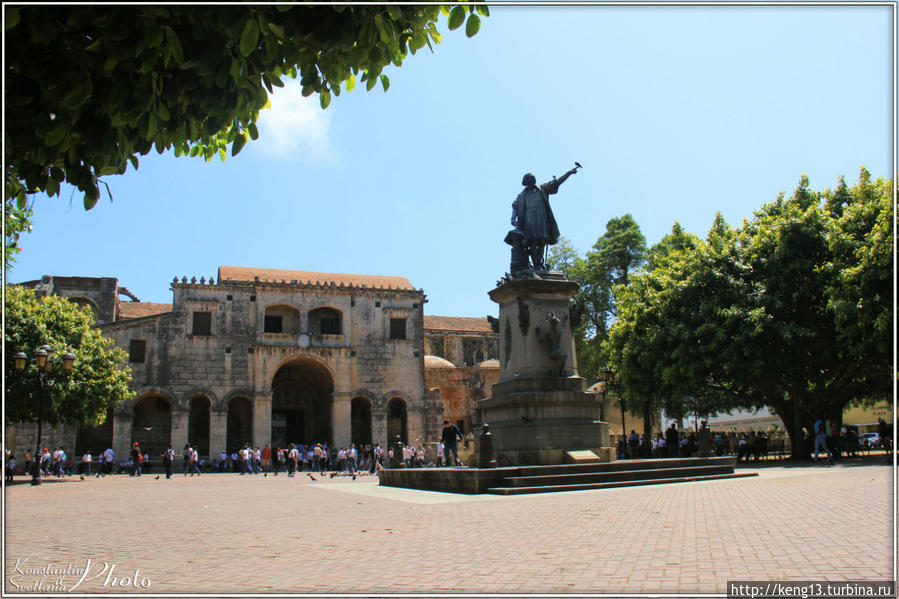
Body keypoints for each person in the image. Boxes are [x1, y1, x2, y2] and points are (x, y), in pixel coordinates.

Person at [506, 167, 578, 275]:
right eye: (532, 178)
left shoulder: (542, 188)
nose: (534, 180)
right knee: (532, 241)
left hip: (542, 218)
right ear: (527, 182)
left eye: (534, 178)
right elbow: (515, 206)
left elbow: (556, 183)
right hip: (529, 220)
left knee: (542, 241)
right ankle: (536, 264)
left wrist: (568, 173)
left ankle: (538, 264)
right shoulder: (522, 195)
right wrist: (513, 218)